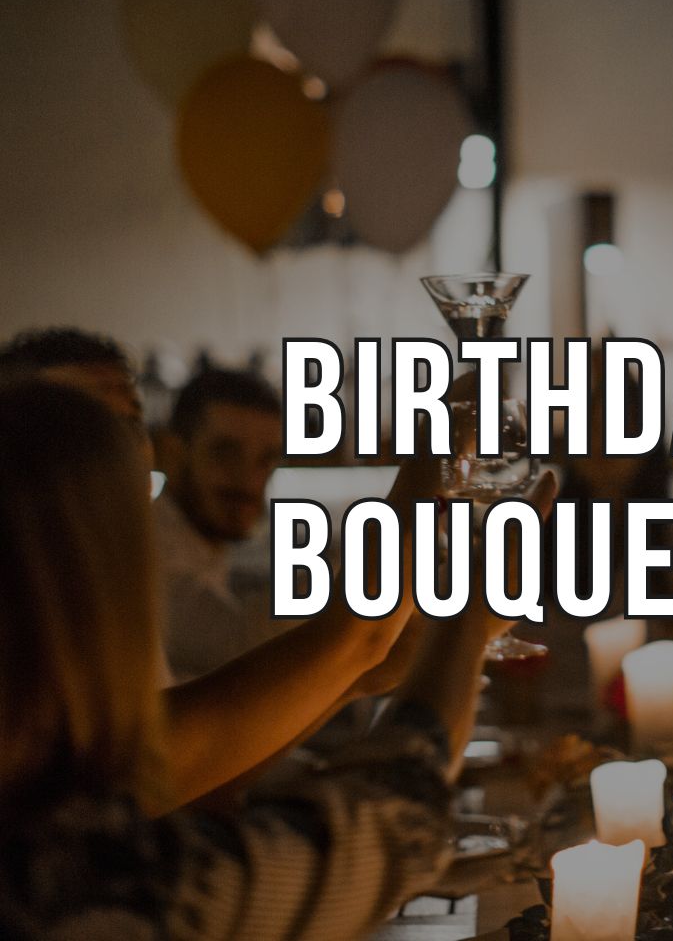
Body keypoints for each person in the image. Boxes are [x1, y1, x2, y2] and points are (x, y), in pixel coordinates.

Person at [0, 379, 557, 937]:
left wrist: (357, 678)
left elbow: (193, 778)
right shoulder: (79, 883)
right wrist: (464, 620)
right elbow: (390, 820)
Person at [0, 328, 475, 812]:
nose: (249, 481)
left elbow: (183, 785)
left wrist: (354, 681)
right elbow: (139, 774)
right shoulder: (52, 602)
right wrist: (424, 477)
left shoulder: (106, 578)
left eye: (129, 424)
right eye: (83, 426)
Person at [155, 366, 289, 682]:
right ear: (172, 454)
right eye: (226, 453)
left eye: (265, 460)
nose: (248, 481)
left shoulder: (202, 544)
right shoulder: (145, 546)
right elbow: (243, 645)